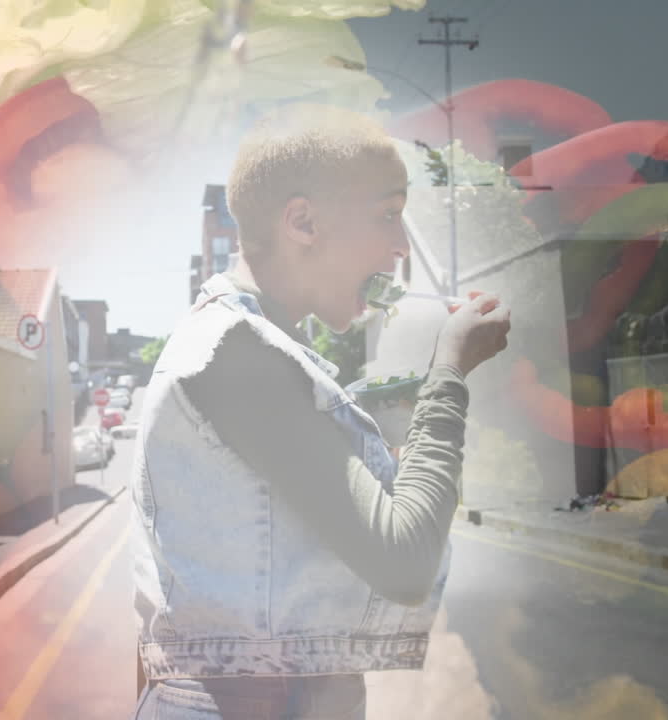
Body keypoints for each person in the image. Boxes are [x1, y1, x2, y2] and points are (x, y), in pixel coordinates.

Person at [129, 104, 512, 719]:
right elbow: (403, 559)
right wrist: (451, 372)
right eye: (388, 215)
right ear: (303, 222)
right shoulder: (240, 357)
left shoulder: (250, 347)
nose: (399, 248)